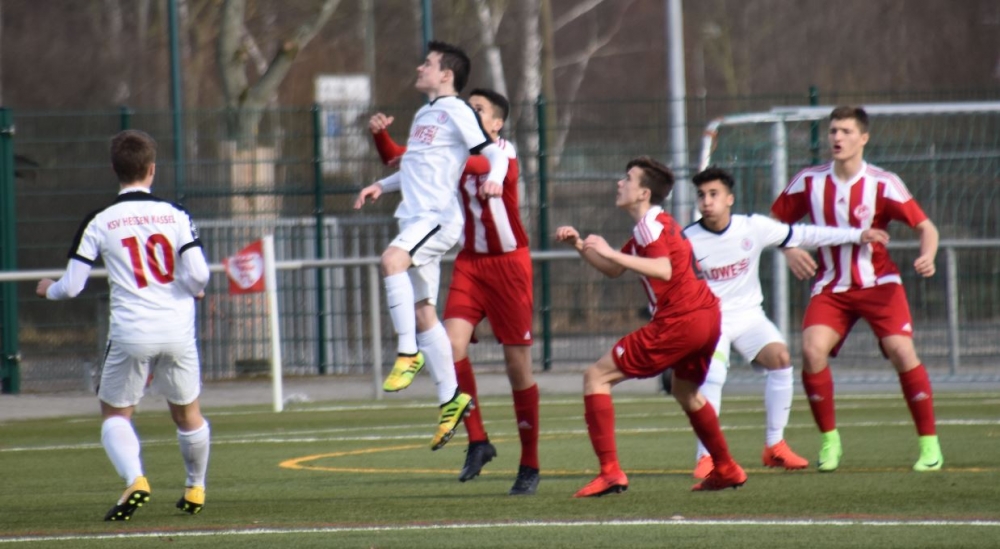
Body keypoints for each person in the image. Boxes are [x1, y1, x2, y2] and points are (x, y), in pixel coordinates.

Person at [366, 89, 540, 495]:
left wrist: (416, 156)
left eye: (478, 110)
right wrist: (380, 144)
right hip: (471, 265)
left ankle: (529, 463)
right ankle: (478, 441)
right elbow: (403, 159)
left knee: (518, 368)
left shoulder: (503, 153)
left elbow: (455, 161)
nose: (469, 115)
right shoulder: (457, 149)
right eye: (467, 108)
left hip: (510, 266)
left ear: (496, 123)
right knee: (450, 344)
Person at [666, 166, 890, 479]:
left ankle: (774, 446)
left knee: (781, 358)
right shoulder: (687, 239)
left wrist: (856, 234)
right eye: (701, 195)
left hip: (748, 316)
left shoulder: (752, 227)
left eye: (714, 194)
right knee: (713, 375)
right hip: (710, 319)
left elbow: (805, 234)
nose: (707, 201)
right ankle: (706, 457)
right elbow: (666, 282)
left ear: (730, 199)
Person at [35, 130, 211, 521]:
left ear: (114, 169)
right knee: (188, 415)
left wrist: (49, 290)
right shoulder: (176, 214)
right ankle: (195, 487)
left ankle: (135, 479)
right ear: (152, 169)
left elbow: (73, 286)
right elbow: (199, 274)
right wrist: (191, 288)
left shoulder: (100, 221)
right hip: (177, 330)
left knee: (115, 415)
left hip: (132, 332)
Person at [556, 156, 747, 496]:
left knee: (596, 376)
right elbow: (614, 269)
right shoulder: (656, 223)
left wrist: (610, 252)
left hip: (681, 320)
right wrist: (579, 245)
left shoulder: (650, 226)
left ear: (644, 193)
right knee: (686, 392)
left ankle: (610, 472)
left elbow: (662, 269)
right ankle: (727, 468)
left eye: (627, 179)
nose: (620, 183)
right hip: (707, 316)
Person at [353, 41, 510, 451]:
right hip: (414, 217)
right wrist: (381, 185)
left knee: (391, 261)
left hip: (436, 217)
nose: (420, 68)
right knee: (425, 313)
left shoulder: (457, 109)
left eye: (428, 63)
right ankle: (450, 398)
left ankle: (407, 353)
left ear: (446, 75)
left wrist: (495, 178)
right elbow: (417, 167)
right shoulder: (425, 113)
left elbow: (494, 154)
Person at [771, 106, 943, 472]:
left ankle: (930, 446)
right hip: (832, 286)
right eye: (833, 130)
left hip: (879, 284)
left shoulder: (883, 183)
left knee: (901, 350)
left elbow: (926, 227)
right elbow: (773, 224)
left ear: (863, 138)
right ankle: (829, 441)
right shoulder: (809, 181)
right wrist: (789, 249)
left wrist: (927, 255)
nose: (837, 137)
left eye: (846, 131)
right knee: (811, 350)